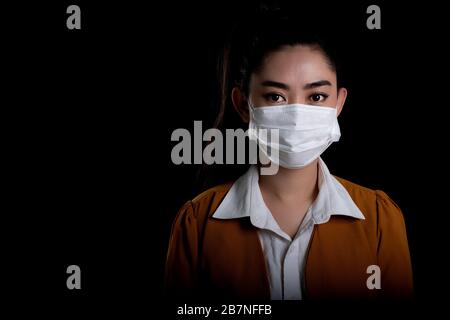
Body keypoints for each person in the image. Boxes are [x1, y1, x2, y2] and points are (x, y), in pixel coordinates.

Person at [164, 8, 413, 300]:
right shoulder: (197, 223)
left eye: (316, 97)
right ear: (243, 105)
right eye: (275, 96)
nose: (296, 114)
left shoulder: (380, 219)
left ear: (339, 103)